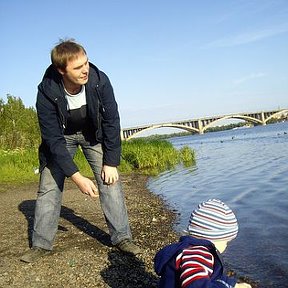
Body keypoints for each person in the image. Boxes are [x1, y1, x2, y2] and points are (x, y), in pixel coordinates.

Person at [21, 39, 141, 263]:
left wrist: (111, 163)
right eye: (77, 67)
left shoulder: (99, 80)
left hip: (93, 135)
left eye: (86, 63)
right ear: (61, 70)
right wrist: (77, 178)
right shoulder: (46, 90)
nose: (85, 69)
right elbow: (52, 139)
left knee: (110, 181)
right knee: (49, 186)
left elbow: (112, 121)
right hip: (62, 138)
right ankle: (41, 245)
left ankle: (122, 238)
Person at [154, 199, 252, 288]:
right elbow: (196, 284)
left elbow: (213, 276)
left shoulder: (188, 248)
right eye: (226, 241)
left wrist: (233, 285)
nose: (226, 245)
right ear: (213, 238)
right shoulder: (198, 255)